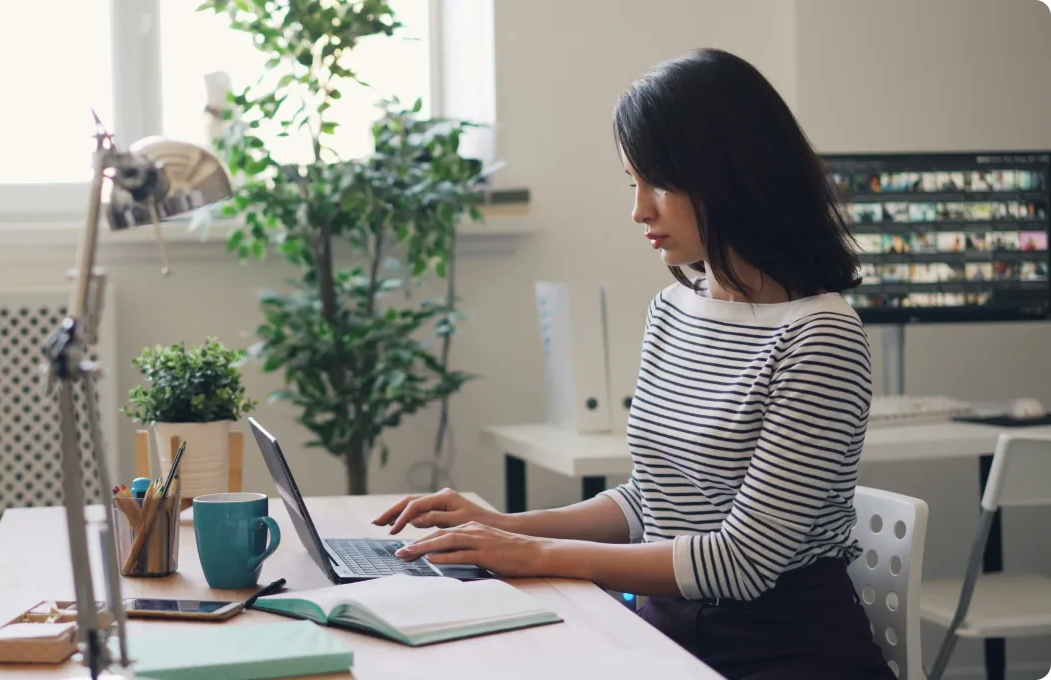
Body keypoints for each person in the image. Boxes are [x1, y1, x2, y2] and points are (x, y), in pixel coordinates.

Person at [374, 47, 891, 680]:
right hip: (665, 632)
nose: (639, 210)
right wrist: (499, 525)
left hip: (779, 651)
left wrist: (529, 551)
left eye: (661, 184)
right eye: (633, 183)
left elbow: (741, 563)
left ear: (735, 175)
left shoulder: (821, 337)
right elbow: (655, 499)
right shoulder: (675, 308)